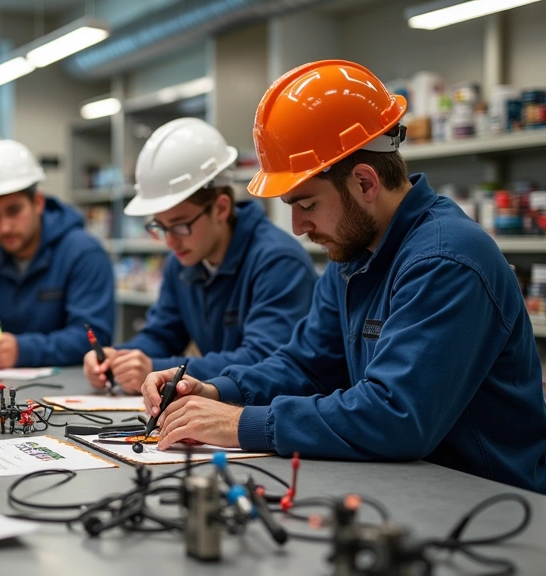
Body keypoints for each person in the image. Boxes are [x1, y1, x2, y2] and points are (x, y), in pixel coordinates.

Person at [141, 60, 546, 493]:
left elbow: (396, 416)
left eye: (307, 204)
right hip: (408, 485)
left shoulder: (446, 259)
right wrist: (216, 391)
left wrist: (240, 423)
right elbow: (307, 365)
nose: (297, 226)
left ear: (366, 182)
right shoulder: (353, 254)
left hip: (487, 503)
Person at [82, 118, 315, 393]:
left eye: (180, 225)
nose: (170, 240)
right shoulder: (183, 260)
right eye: (160, 226)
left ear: (221, 208)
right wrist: (119, 358)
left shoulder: (278, 262)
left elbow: (264, 360)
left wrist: (155, 367)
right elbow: (161, 334)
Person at [0, 137, 114, 368]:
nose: (4, 227)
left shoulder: (84, 254)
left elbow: (95, 337)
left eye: (13, 211)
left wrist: (24, 350)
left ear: (38, 202)